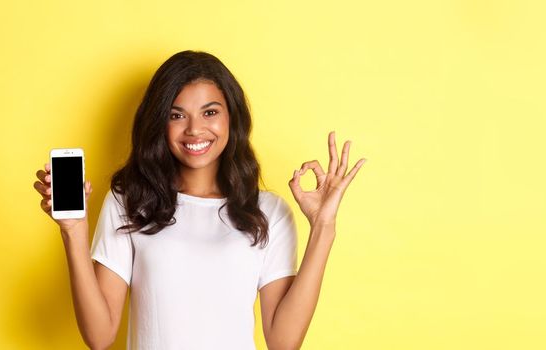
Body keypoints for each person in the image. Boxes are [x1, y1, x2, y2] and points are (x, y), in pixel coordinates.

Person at [33, 50, 366, 350]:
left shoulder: (268, 212)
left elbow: (283, 341)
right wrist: (73, 230)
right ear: (159, 123)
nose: (194, 129)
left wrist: (323, 227)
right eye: (176, 115)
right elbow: (100, 335)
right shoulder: (130, 200)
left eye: (209, 112)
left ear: (231, 118)